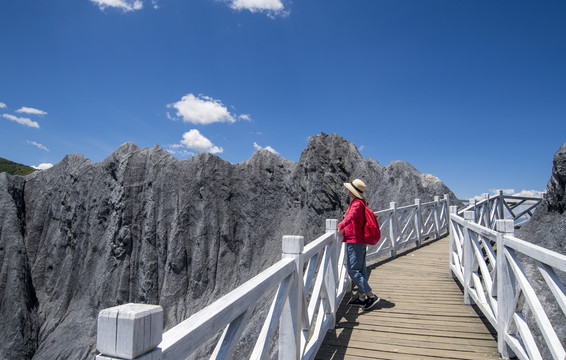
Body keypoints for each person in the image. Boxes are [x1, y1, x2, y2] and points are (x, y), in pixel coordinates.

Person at [338, 179, 380, 311]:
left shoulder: (357, 204)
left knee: (353, 270)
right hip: (359, 240)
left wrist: (338, 226)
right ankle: (362, 298)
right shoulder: (359, 203)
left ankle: (371, 296)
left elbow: (349, 218)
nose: (348, 191)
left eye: (350, 189)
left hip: (354, 240)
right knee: (360, 269)